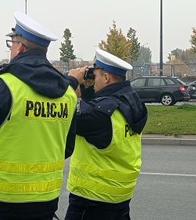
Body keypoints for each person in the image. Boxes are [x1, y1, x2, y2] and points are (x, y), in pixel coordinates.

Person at [0, 11, 77, 220]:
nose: (10, 48)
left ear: (20, 47)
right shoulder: (68, 93)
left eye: (11, 42)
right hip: (45, 202)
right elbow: (66, 149)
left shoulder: (3, 85)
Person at [65, 48, 148, 220]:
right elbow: (93, 112)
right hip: (120, 197)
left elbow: (63, 113)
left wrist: (71, 81)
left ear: (106, 77)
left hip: (92, 200)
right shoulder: (133, 102)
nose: (93, 81)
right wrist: (88, 91)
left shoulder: (100, 114)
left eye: (95, 76)